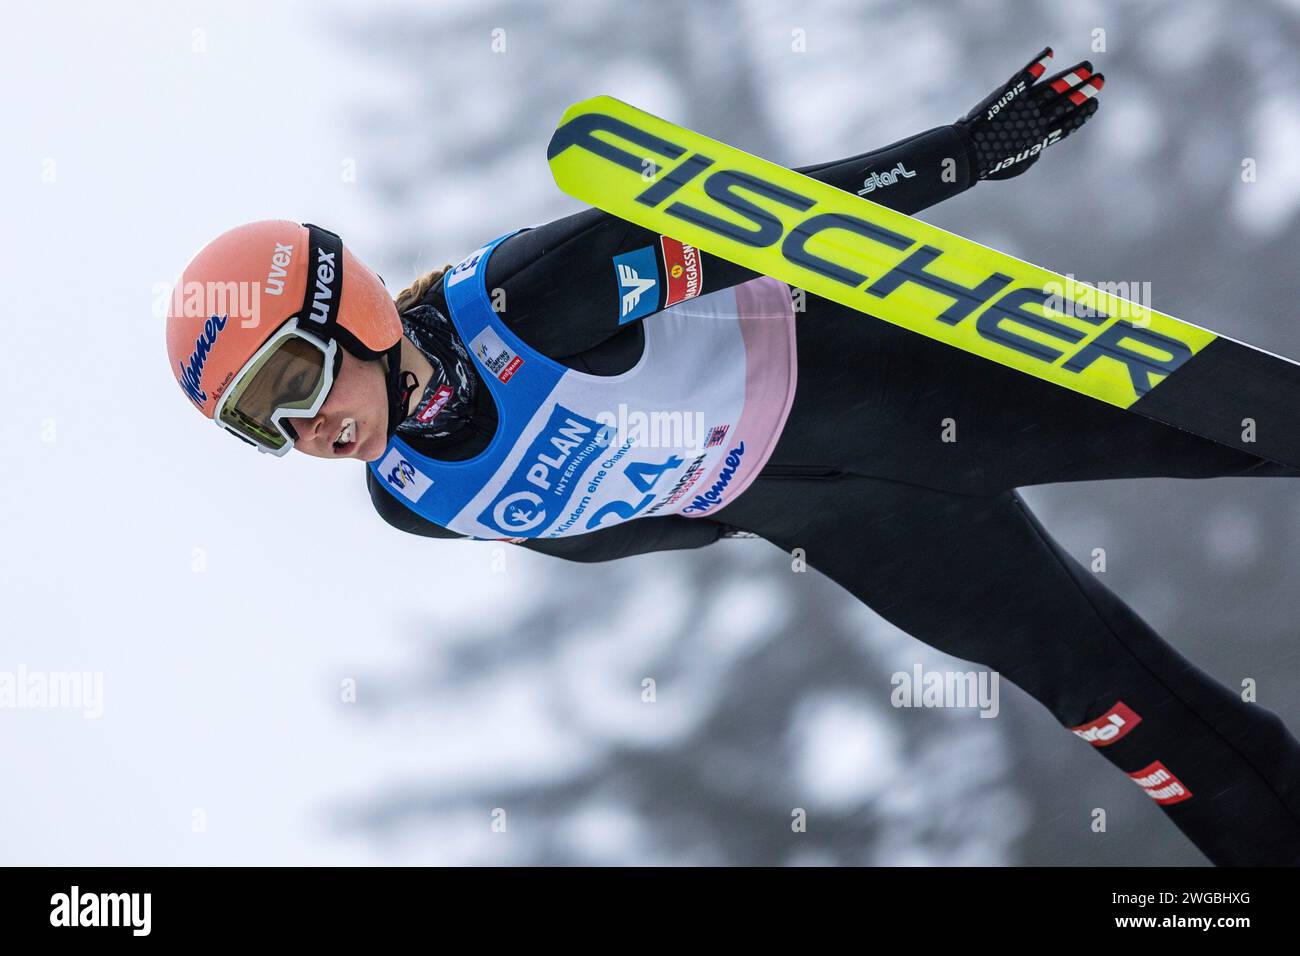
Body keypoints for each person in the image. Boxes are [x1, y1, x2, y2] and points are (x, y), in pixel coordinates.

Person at [165, 48, 1300, 865]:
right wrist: (736, 508)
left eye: (295, 382)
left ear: (351, 307)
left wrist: (961, 156)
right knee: (1101, 695)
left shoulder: (533, 302)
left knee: (1215, 431)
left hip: (880, 392)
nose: (307, 429)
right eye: (266, 426)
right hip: (845, 523)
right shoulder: (413, 501)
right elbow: (611, 530)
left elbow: (785, 225)